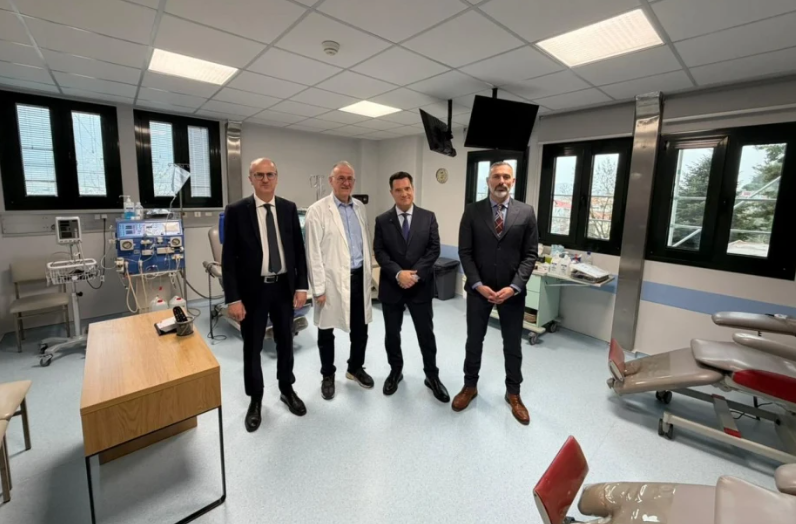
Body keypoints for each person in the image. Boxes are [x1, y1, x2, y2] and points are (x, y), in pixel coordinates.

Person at [222, 158, 309, 433]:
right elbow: (228, 259)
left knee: (286, 342)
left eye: (270, 174)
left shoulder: (288, 208)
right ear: (250, 179)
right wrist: (233, 299)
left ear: (277, 177)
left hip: (283, 288)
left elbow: (298, 251)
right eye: (259, 175)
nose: (265, 179)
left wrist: (302, 287)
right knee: (253, 347)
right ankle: (256, 399)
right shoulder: (237, 211)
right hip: (253, 291)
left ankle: (287, 389)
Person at [453, 161, 538, 425]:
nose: (501, 181)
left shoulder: (526, 212)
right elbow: (465, 252)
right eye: (496, 176)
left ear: (513, 181)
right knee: (474, 341)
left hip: (512, 293)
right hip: (480, 291)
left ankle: (514, 393)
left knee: (512, 344)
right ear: (488, 181)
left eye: (506, 177)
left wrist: (514, 287)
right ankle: (469, 386)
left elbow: (530, 255)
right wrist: (478, 284)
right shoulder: (472, 211)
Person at [373, 172, 449, 402]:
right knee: (392, 334)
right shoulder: (382, 220)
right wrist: (398, 273)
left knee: (426, 334)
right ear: (392, 193)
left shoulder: (428, 217)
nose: (404, 193)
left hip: (420, 286)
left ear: (413, 189)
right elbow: (380, 252)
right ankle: (395, 371)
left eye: (407, 188)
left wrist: (414, 275)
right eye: (398, 190)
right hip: (392, 285)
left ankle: (432, 376)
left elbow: (433, 249)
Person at [305, 161, 374, 400]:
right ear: (331, 181)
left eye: (350, 179)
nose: (346, 182)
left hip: (359, 277)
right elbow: (313, 252)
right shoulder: (317, 210)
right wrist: (318, 288)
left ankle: (355, 368)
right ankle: (328, 375)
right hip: (331, 281)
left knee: (361, 329)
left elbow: (364, 242)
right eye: (341, 178)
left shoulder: (359, 208)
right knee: (326, 331)